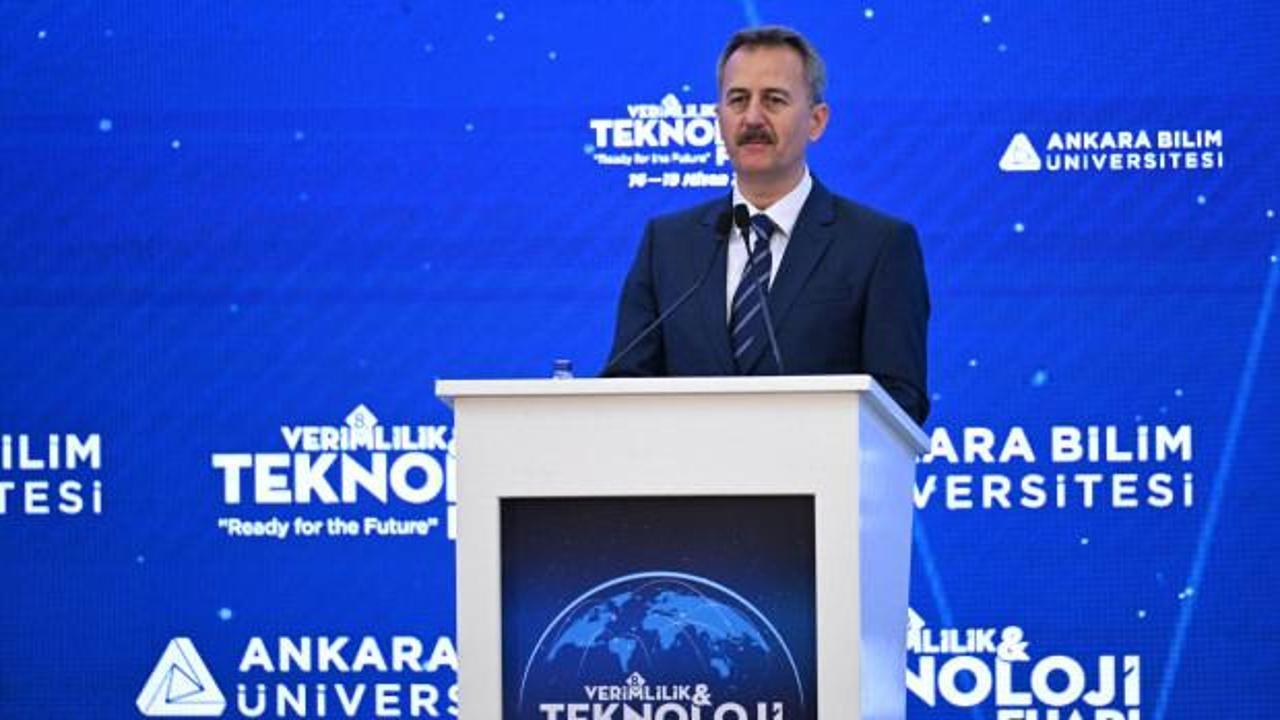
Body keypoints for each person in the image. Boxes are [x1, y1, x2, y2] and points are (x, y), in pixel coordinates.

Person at [604, 25, 930, 424]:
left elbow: (899, 403)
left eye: (774, 100)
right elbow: (624, 386)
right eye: (738, 100)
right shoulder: (667, 244)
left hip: (819, 464)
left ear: (816, 121)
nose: (753, 117)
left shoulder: (879, 245)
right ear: (718, 119)